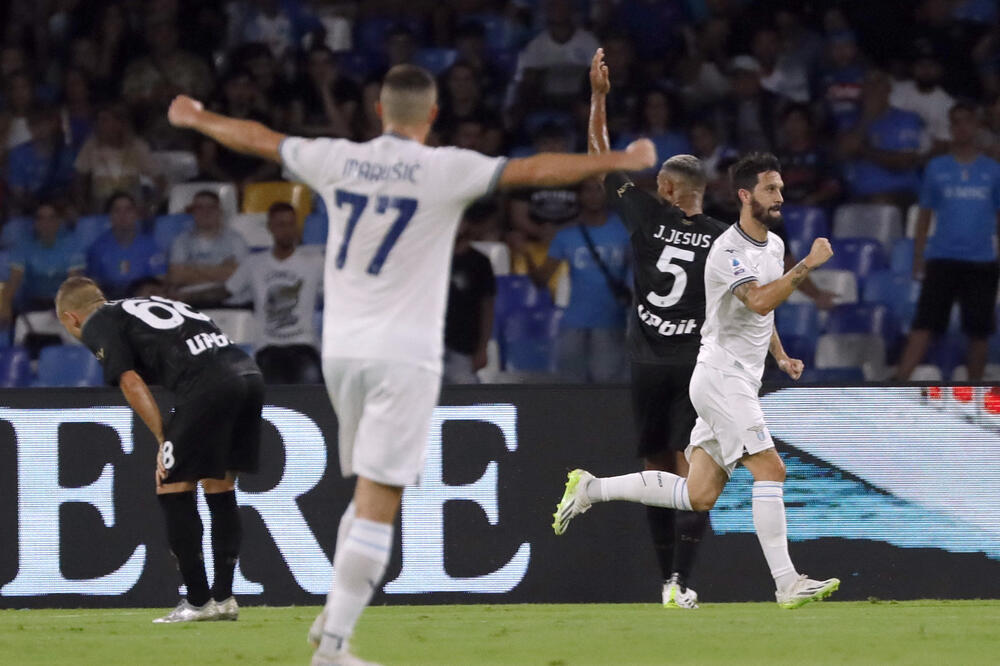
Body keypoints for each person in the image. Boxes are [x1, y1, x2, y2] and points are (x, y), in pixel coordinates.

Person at [167, 63, 655, 665]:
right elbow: (531, 170)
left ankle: (331, 623)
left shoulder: (338, 158)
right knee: (383, 496)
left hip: (341, 351)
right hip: (402, 355)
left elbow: (260, 138)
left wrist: (197, 117)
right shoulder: (444, 168)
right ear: (432, 115)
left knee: (368, 489)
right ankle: (334, 647)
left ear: (379, 110)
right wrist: (619, 159)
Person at [554, 152, 841, 610]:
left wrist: (781, 356)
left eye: (781, 189)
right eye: (771, 189)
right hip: (721, 376)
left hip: (737, 378)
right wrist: (807, 263)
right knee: (771, 469)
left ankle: (591, 488)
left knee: (698, 494)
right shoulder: (725, 250)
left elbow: (761, 316)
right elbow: (759, 300)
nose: (780, 197)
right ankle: (787, 583)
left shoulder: (772, 246)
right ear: (745, 195)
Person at [555, 48, 729, 606]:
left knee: (656, 467)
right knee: (694, 476)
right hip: (695, 367)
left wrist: (599, 97)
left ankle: (667, 581)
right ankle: (681, 580)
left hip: (647, 365)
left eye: (660, 183)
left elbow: (598, 158)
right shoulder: (723, 238)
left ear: (669, 189)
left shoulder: (646, 216)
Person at [54, 276, 264, 624]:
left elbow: (130, 381)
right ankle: (224, 598)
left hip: (208, 384)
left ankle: (198, 602)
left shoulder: (96, 321)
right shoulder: (143, 306)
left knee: (172, 485)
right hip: (248, 375)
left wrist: (163, 437)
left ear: (71, 318)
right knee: (220, 484)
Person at [895, 102, 1000, 382]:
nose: (961, 128)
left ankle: (976, 393)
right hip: (942, 258)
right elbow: (924, 215)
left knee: (978, 331)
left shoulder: (993, 170)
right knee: (924, 324)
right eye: (956, 122)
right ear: (950, 128)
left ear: (976, 126)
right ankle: (898, 385)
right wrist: (919, 256)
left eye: (967, 121)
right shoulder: (936, 168)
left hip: (981, 260)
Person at [192, 202, 325, 384]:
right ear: (270, 227)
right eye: (281, 225)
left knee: (311, 388)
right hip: (268, 347)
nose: (287, 230)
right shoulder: (254, 263)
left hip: (305, 345)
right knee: (268, 389)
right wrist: (185, 298)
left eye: (291, 224)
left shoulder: (315, 262)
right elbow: (225, 291)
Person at [516, 177, 630, 383]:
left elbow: (637, 274)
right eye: (588, 190)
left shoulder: (624, 232)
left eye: (598, 189)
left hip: (612, 320)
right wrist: (525, 254)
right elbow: (542, 279)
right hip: (573, 321)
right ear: (579, 196)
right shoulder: (566, 235)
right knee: (571, 386)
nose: (593, 195)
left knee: (608, 385)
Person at [443, 208, 496, 385]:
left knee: (465, 393)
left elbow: (487, 307)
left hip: (464, 347)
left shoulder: (480, 262)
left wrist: (483, 349)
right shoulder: (434, 259)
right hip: (431, 346)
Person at [168, 190, 249, 300]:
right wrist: (223, 269)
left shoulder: (236, 240)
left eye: (211, 207)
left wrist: (192, 269)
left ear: (219, 211)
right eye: (199, 208)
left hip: (227, 299)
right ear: (193, 212)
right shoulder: (181, 241)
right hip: (191, 300)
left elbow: (242, 276)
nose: (205, 212)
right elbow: (176, 276)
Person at [87, 192, 167, 300]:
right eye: (117, 210)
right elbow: (93, 285)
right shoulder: (97, 248)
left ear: (135, 214)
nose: (123, 215)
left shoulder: (150, 246)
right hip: (109, 301)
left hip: (142, 301)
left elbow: (160, 282)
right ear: (110, 216)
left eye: (128, 210)